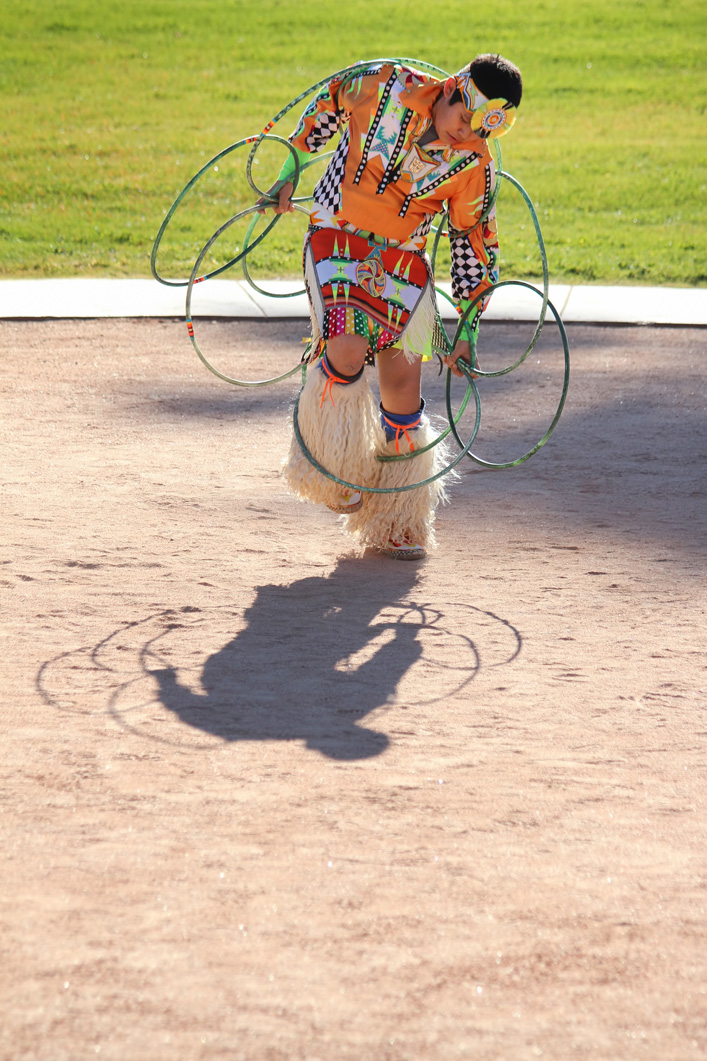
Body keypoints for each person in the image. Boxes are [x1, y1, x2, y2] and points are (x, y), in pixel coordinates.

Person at [265, 54, 523, 560]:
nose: (464, 137)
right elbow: (326, 106)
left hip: (404, 265)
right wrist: (289, 171)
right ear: (453, 89)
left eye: (480, 134)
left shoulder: (475, 164)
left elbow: (472, 240)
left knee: (403, 393)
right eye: (464, 121)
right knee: (346, 348)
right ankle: (331, 473)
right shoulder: (384, 85)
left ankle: (396, 524)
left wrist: (468, 325)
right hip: (338, 240)